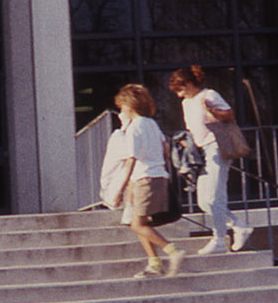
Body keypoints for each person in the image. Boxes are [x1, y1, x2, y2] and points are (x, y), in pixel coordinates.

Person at [169, 66, 250, 255]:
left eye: (181, 89)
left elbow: (229, 115)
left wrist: (211, 110)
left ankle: (219, 240)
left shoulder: (209, 95)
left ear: (189, 83)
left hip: (216, 146)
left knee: (214, 197)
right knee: (204, 201)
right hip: (200, 151)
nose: (180, 95)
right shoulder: (186, 103)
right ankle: (238, 225)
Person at [107, 84, 182, 278]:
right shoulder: (151, 123)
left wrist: (120, 189)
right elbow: (165, 148)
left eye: (122, 107)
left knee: (137, 225)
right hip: (157, 177)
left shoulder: (134, 128)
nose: (121, 111)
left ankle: (172, 250)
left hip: (144, 179)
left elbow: (131, 159)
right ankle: (154, 262)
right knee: (139, 221)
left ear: (129, 105)